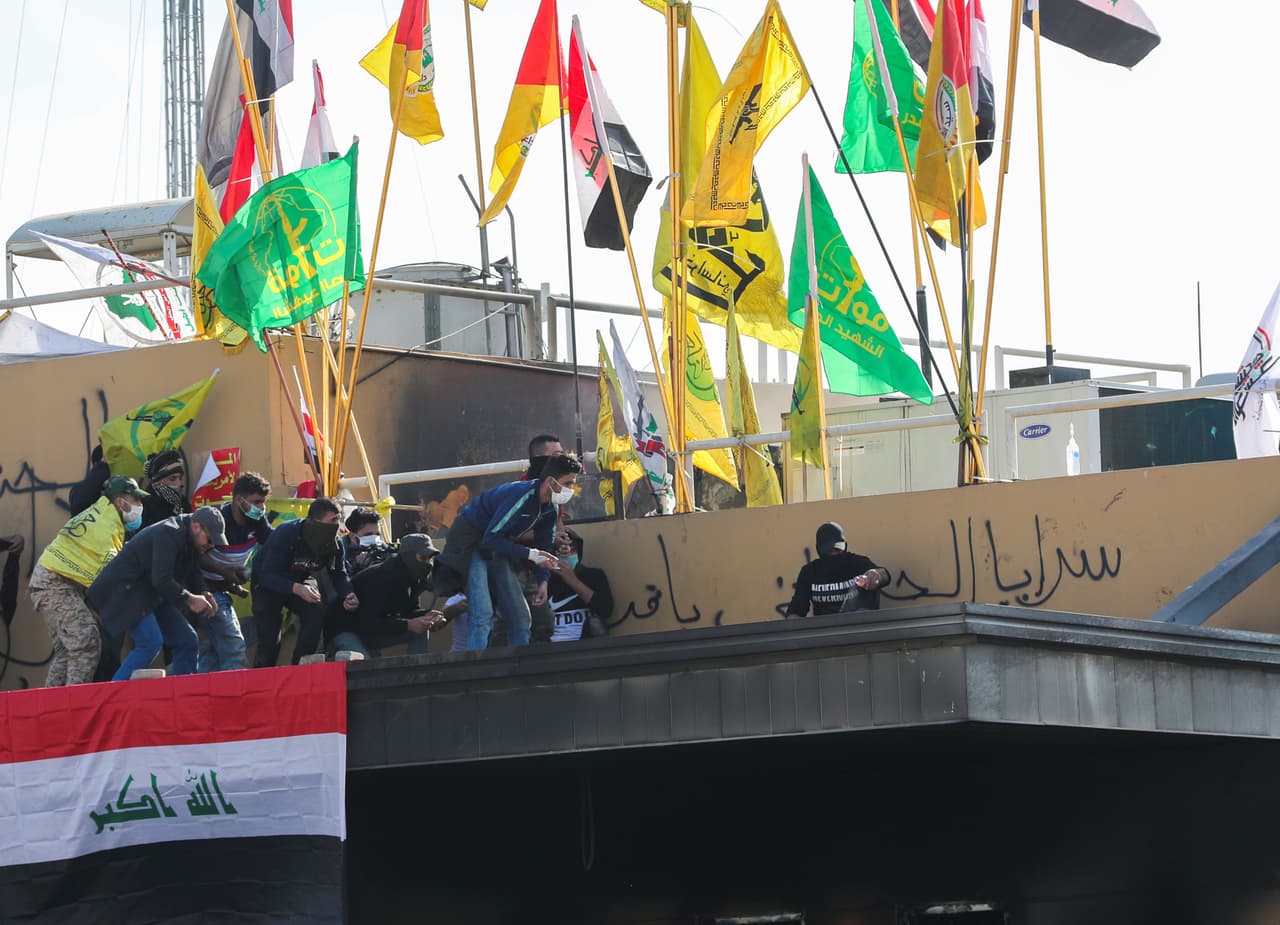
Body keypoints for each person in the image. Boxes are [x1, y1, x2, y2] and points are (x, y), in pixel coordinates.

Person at [439, 452, 581, 650]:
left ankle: (517, 673)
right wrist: (531, 555)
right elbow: (491, 538)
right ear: (550, 481)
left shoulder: (551, 507)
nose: (571, 489)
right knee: (482, 613)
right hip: (470, 542)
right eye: (568, 483)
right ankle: (473, 674)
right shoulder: (521, 497)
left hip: (496, 546)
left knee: (521, 618)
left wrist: (543, 581)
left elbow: (544, 545)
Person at [28, 475, 147, 686]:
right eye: (136, 500)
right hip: (55, 583)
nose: (140, 505)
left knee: (67, 652)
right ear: (120, 501)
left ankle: (51, 710)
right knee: (86, 644)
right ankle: (74, 707)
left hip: (52, 581)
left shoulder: (103, 514)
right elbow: (109, 578)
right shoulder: (106, 528)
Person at [85, 506, 224, 680]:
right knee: (149, 643)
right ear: (196, 527)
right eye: (209, 540)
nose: (210, 546)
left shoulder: (191, 537)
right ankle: (114, 696)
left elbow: (193, 570)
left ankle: (184, 698)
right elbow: (162, 579)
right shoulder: (169, 532)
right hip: (126, 591)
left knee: (187, 640)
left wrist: (204, 592)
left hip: (151, 592)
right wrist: (189, 599)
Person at [252, 497, 358, 666]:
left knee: (314, 615)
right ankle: (261, 684)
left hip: (301, 578)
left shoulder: (334, 543)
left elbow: (338, 572)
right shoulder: (287, 533)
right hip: (269, 584)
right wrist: (296, 588)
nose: (336, 526)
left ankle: (301, 667)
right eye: (332, 520)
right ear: (315, 521)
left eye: (338, 520)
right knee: (270, 640)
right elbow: (267, 574)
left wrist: (348, 593)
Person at [196, 471, 273, 673]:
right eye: (256, 501)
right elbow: (195, 557)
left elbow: (273, 546)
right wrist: (225, 571)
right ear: (239, 499)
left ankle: (190, 685)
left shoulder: (258, 520)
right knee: (234, 648)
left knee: (214, 652)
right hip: (204, 590)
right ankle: (236, 692)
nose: (261, 508)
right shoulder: (216, 519)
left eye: (264, 502)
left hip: (224, 590)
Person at [325, 534, 445, 659]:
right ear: (408, 556)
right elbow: (367, 622)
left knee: (420, 631)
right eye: (423, 558)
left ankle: (417, 675)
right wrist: (409, 624)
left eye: (430, 559)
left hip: (370, 631)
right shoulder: (380, 577)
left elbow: (409, 611)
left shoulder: (415, 577)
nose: (428, 563)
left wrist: (427, 615)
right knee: (362, 666)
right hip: (344, 630)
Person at [785, 522, 889, 619]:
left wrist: (876, 575)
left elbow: (884, 576)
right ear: (818, 550)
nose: (834, 554)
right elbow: (796, 610)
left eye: (837, 550)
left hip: (860, 629)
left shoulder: (857, 563)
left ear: (845, 547)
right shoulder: (810, 572)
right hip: (825, 633)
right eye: (829, 551)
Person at [545, 528, 613, 643]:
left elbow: (606, 610)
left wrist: (572, 580)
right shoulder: (544, 580)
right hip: (552, 647)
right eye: (562, 551)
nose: (568, 555)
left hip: (587, 643)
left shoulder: (593, 576)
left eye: (573, 550)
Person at [141, 449, 190, 527]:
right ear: (157, 480)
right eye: (172, 479)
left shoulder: (183, 503)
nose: (179, 483)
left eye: (180, 478)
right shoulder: (144, 505)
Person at [343, 506, 390, 576]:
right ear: (353, 535)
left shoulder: (383, 548)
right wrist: (356, 567)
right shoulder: (341, 551)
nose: (374, 538)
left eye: (377, 534)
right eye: (368, 534)